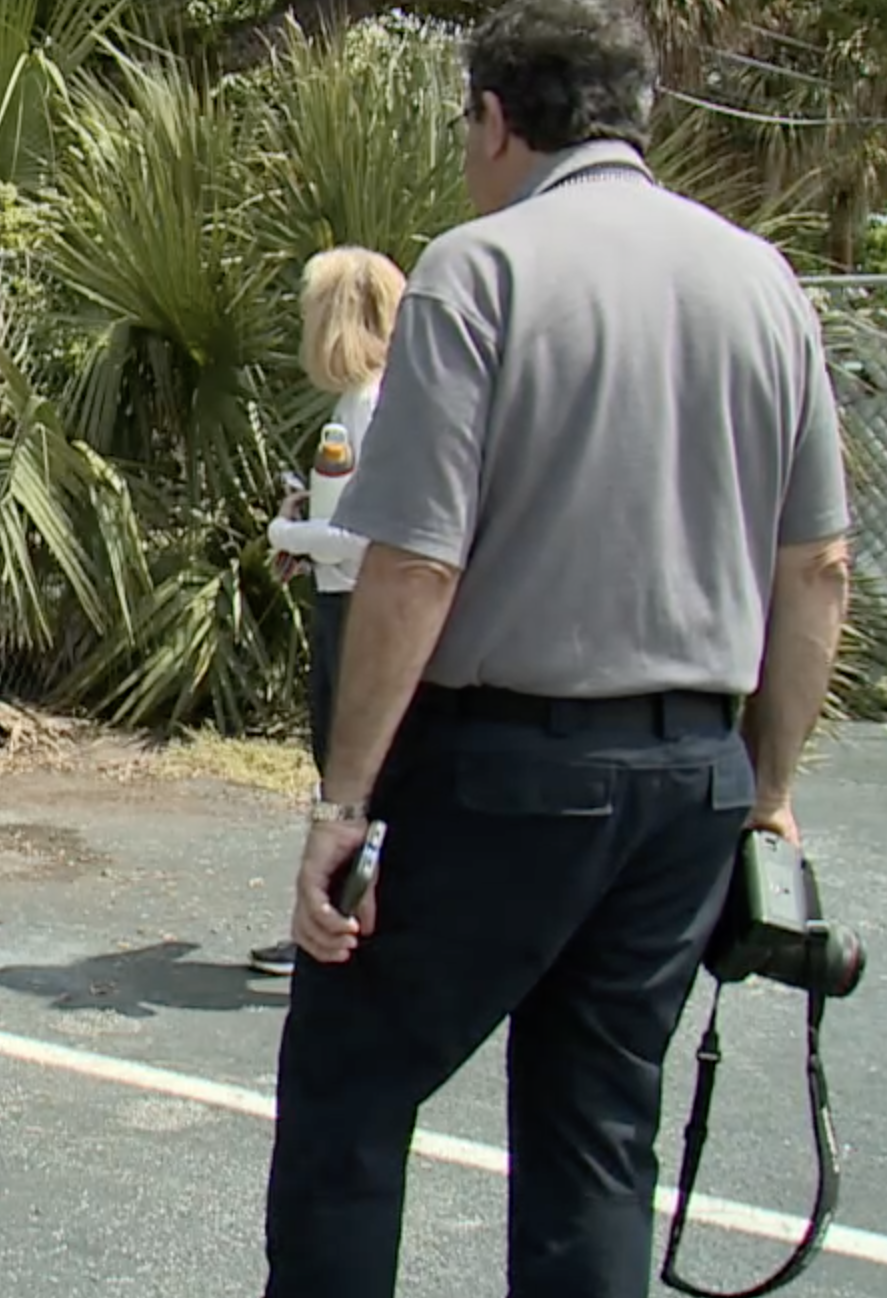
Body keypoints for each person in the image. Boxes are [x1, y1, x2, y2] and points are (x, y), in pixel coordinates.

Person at [260, 2, 851, 1295]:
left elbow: (414, 562)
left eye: (466, 125)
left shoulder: (480, 268)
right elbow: (818, 566)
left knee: (351, 1087)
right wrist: (774, 792)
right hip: (691, 779)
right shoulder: (766, 281)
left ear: (496, 117)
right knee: (595, 1138)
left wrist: (344, 798)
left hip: (507, 769)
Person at [249, 246, 407, 979]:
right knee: (333, 766)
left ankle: (348, 926)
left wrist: (287, 534)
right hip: (339, 598)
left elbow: (367, 538)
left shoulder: (372, 406)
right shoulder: (361, 401)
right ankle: (339, 919)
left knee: (350, 779)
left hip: (359, 606)